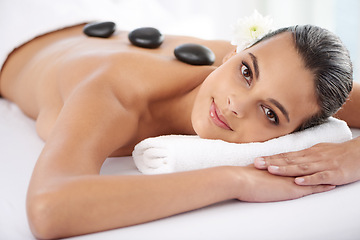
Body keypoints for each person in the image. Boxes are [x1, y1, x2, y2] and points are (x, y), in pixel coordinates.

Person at [0, 21, 356, 239]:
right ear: (234, 53)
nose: (236, 104)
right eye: (246, 72)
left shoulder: (295, 80)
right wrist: (236, 180)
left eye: (269, 113)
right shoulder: (115, 91)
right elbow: (48, 210)